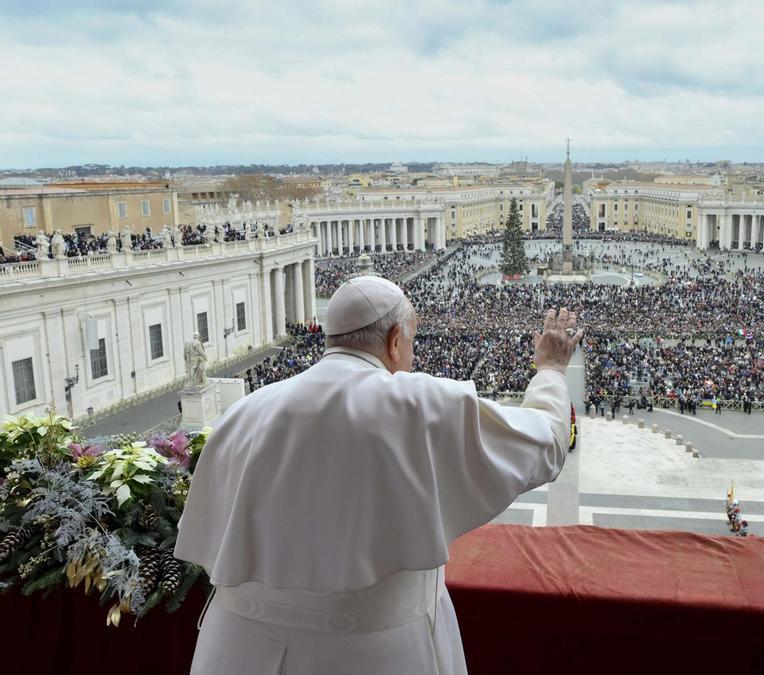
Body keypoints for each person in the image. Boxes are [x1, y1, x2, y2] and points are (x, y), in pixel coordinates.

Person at [176, 276, 582, 675]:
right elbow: (546, 442)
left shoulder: (243, 413)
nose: (411, 356)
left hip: (237, 649)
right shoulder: (418, 404)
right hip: (375, 652)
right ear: (394, 340)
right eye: (411, 342)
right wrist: (550, 368)